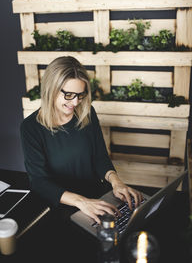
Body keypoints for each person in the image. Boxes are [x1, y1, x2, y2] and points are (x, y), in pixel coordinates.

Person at [20, 56, 142, 224]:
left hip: (98, 198)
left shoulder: (87, 113)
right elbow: (39, 182)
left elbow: (100, 157)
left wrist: (116, 182)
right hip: (63, 206)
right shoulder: (30, 127)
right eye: (68, 95)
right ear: (51, 89)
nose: (76, 102)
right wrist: (82, 202)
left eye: (80, 94)